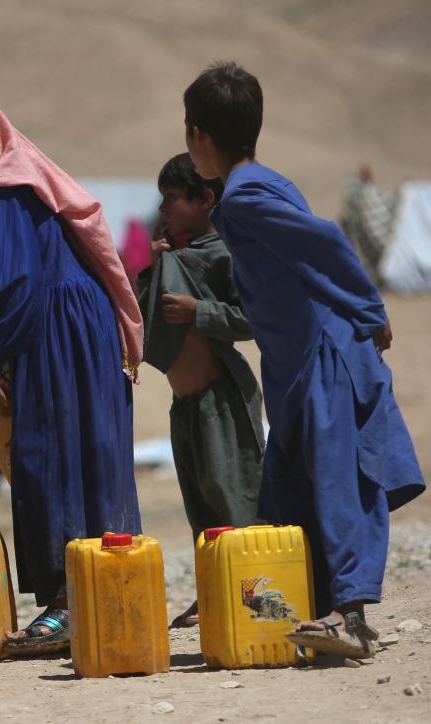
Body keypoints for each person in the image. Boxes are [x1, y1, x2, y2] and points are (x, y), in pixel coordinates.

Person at [182, 62, 425, 659]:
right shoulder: (257, 184)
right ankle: (293, 613)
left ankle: (349, 615)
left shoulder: (244, 197)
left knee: (340, 482)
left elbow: (325, 243)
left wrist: (369, 310)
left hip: (324, 359)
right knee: (288, 493)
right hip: (292, 365)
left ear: (201, 137)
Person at [0, 85, 143, 655]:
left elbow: (17, 280)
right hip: (75, 318)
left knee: (50, 451)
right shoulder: (13, 175)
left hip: (56, 323)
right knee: (88, 449)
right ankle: (108, 592)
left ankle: (66, 605)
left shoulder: (0, 187)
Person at [136, 152, 264, 628]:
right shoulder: (177, 255)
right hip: (184, 405)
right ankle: (213, 592)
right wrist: (156, 266)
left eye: (172, 198)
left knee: (234, 502)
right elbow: (144, 317)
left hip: (221, 403)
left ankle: (254, 595)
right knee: (201, 509)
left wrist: (199, 312)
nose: (164, 207)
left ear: (205, 199)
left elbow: (252, 318)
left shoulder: (225, 255)